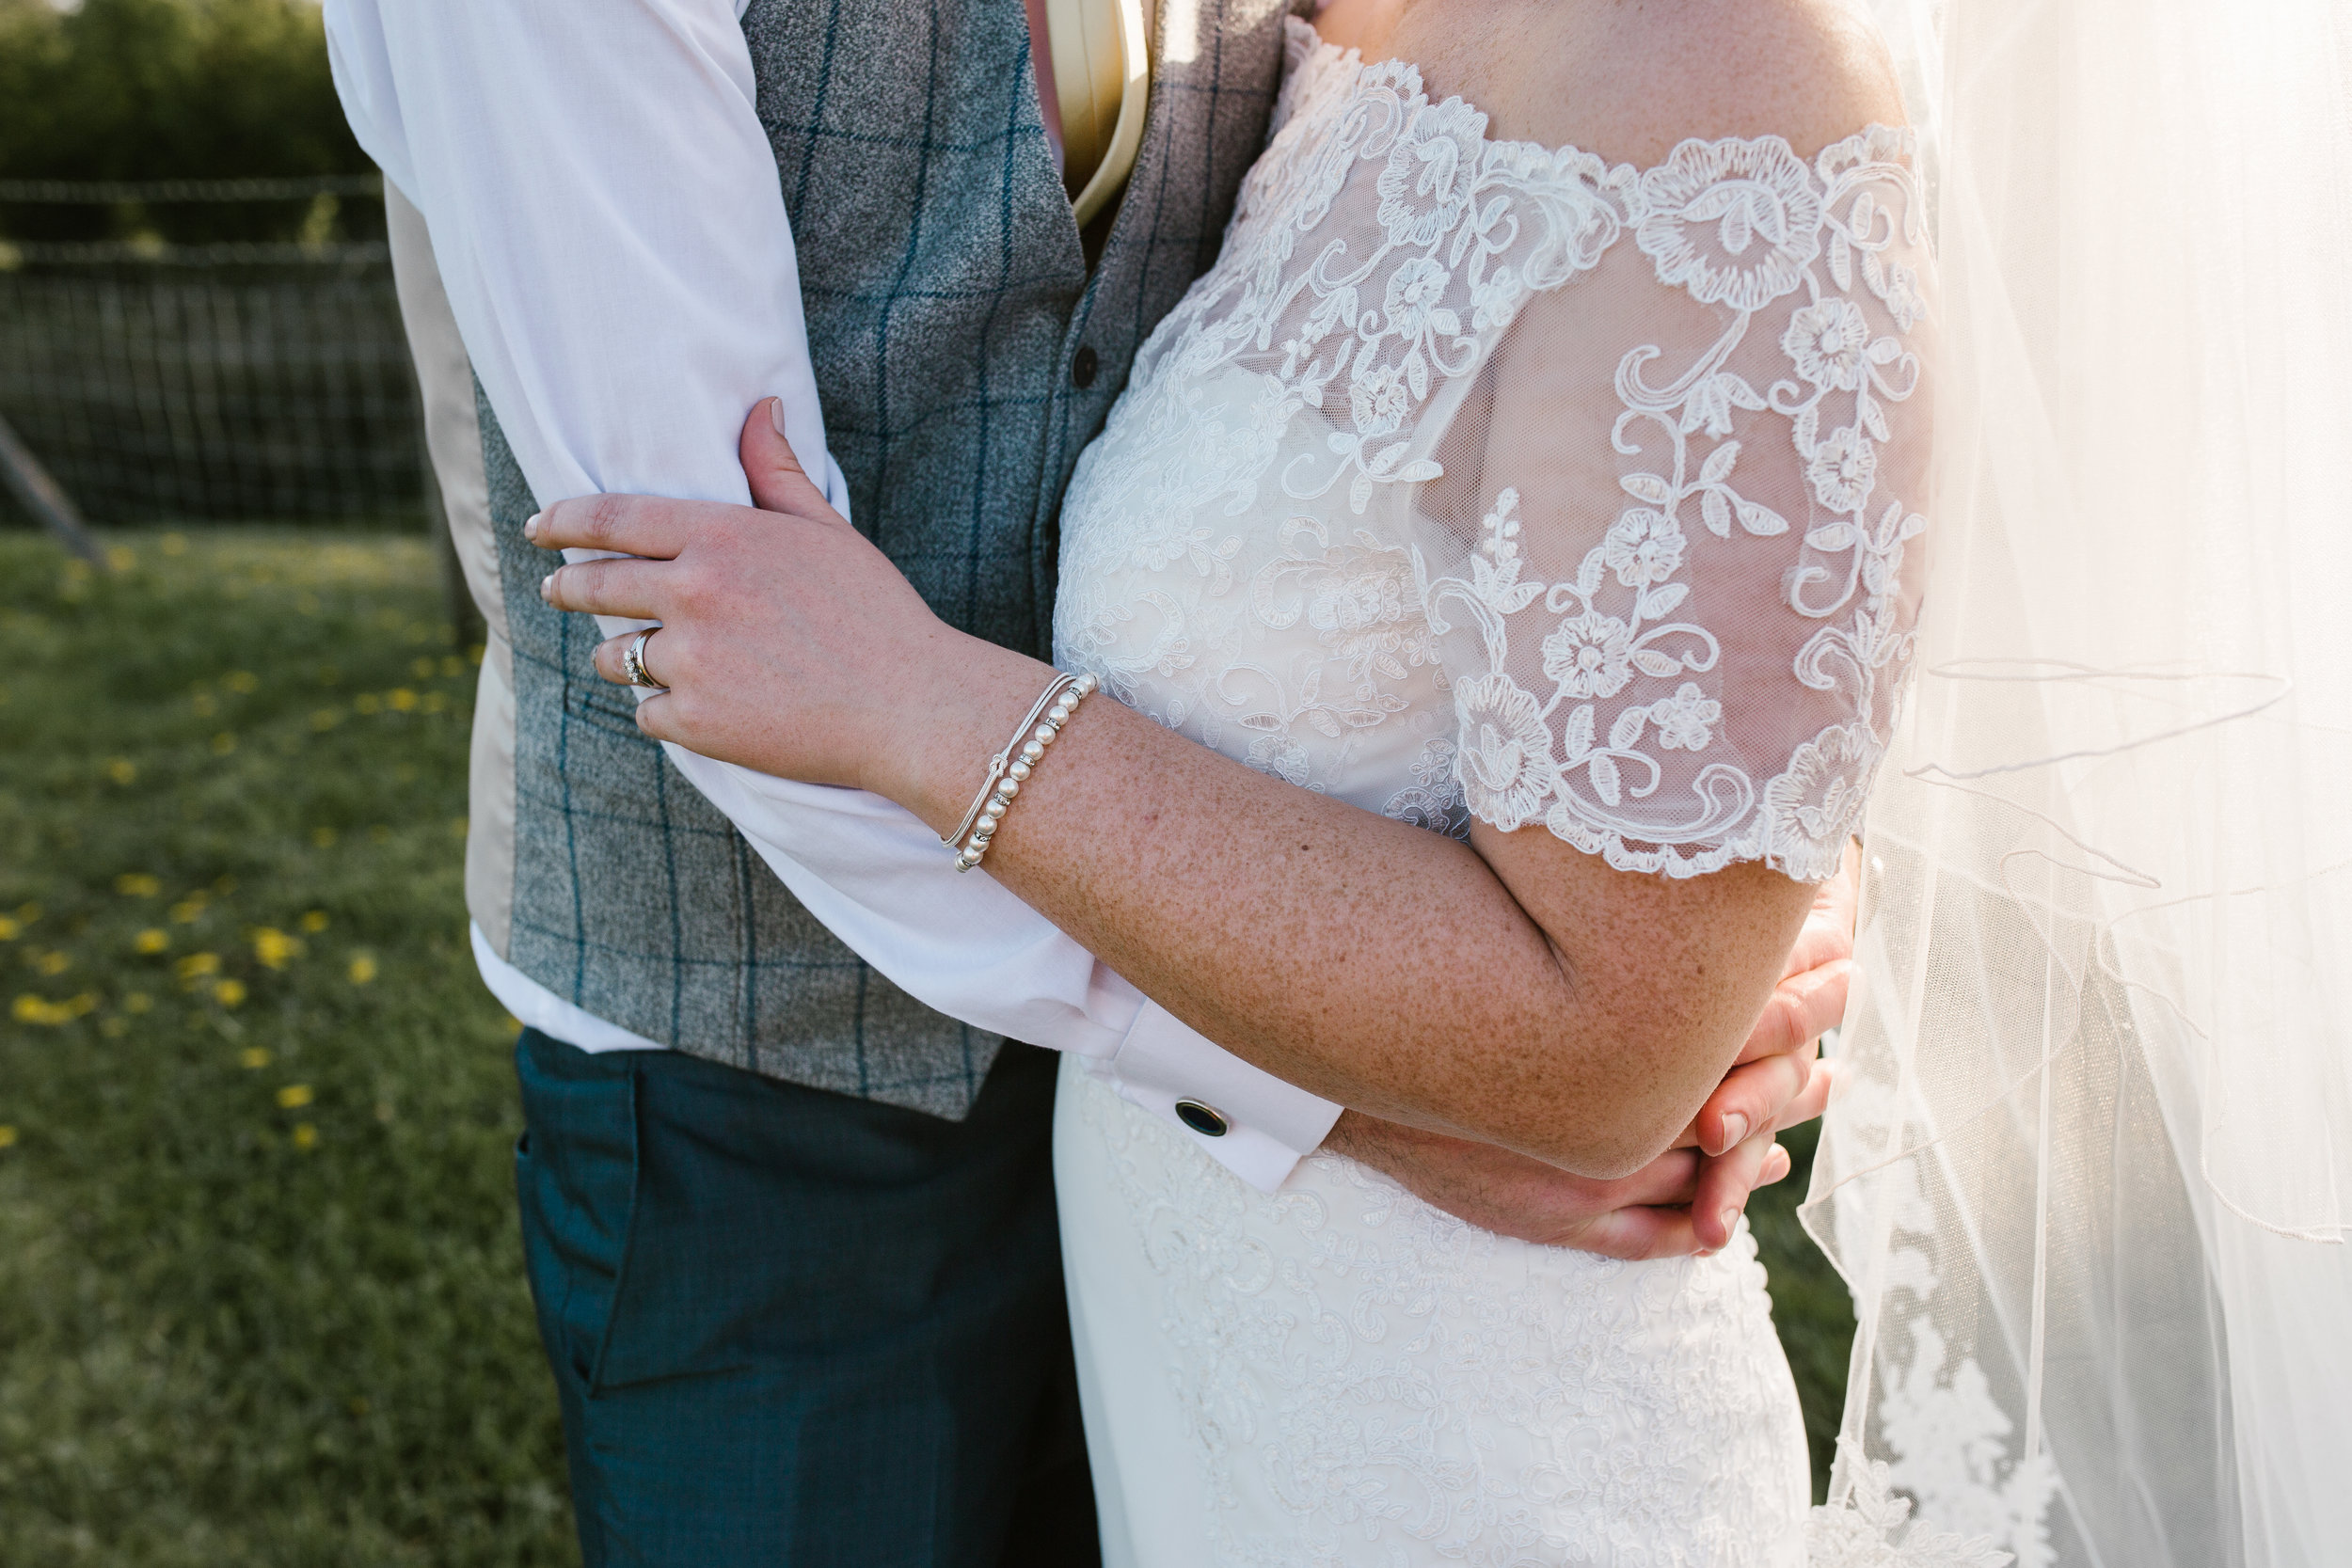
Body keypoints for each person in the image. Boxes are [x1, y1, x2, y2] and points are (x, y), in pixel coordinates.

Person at [327, 0, 1850, 1561]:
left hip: (1253, 1162)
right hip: (770, 1079)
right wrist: (1362, 1079)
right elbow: (715, 611)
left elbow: (1688, 399)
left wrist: (1708, 879)